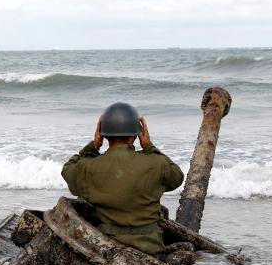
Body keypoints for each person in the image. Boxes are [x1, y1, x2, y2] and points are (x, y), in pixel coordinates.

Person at [61, 102, 184, 256]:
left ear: (103, 134)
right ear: (137, 134)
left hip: (108, 247)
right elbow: (177, 177)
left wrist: (93, 146)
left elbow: (68, 169)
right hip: (150, 248)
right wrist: (149, 146)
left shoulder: (88, 167)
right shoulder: (156, 164)